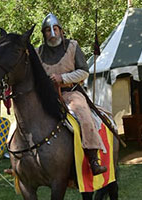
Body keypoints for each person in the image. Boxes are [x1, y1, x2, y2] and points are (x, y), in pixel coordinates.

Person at [36, 13, 107, 176]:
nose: (52, 33)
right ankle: (22, 159)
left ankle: (93, 158)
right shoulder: (38, 52)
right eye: (48, 30)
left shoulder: (73, 46)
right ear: (43, 33)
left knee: (83, 115)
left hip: (71, 93)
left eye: (55, 29)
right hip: (47, 96)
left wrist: (62, 78)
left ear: (61, 30)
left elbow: (83, 72)